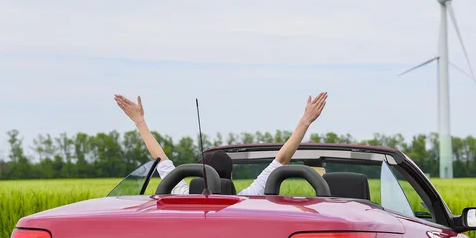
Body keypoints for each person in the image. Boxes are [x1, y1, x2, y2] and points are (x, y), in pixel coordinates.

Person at [114, 92, 328, 195]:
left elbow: (160, 160)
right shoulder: (248, 199)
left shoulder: (183, 197)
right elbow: (281, 159)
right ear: (231, 177)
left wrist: (139, 121)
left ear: (198, 174)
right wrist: (305, 121)